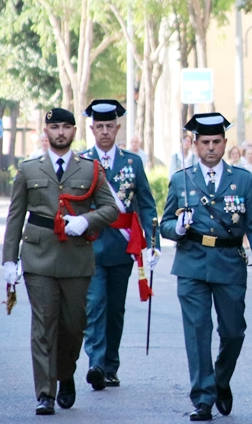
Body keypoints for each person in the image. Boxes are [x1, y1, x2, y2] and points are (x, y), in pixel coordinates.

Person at [2, 108, 118, 415]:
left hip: (76, 257)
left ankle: (65, 372)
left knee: (73, 325)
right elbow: (15, 217)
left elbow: (111, 209)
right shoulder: (29, 169)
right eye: (55, 127)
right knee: (43, 325)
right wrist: (9, 261)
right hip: (38, 257)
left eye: (66, 127)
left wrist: (87, 221)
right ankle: (45, 393)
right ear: (46, 132)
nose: (61, 132)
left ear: (74, 131)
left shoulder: (90, 170)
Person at [159, 113, 252, 421]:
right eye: (205, 142)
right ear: (195, 144)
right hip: (192, 261)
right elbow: (165, 223)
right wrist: (177, 229)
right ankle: (203, 397)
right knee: (198, 331)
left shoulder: (244, 180)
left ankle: (220, 380)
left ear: (225, 143)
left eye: (216, 142)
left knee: (234, 332)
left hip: (228, 261)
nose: (211, 148)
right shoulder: (181, 179)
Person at [80, 99, 159, 391]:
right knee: (95, 305)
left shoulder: (132, 162)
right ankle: (96, 364)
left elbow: (147, 205)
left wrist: (153, 243)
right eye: (99, 126)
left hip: (123, 247)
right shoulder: (83, 162)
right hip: (91, 245)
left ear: (117, 128)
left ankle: (110, 366)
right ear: (91, 128)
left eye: (109, 126)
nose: (104, 132)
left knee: (115, 310)